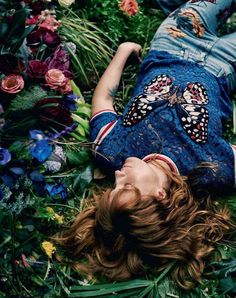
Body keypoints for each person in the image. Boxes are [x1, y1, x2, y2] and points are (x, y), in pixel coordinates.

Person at [58, 0, 236, 289]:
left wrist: (123, 52)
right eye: (125, 187)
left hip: (176, 40)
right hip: (224, 67)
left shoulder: (113, 150)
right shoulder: (211, 171)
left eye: (113, 187)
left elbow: (103, 100)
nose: (117, 177)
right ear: (160, 195)